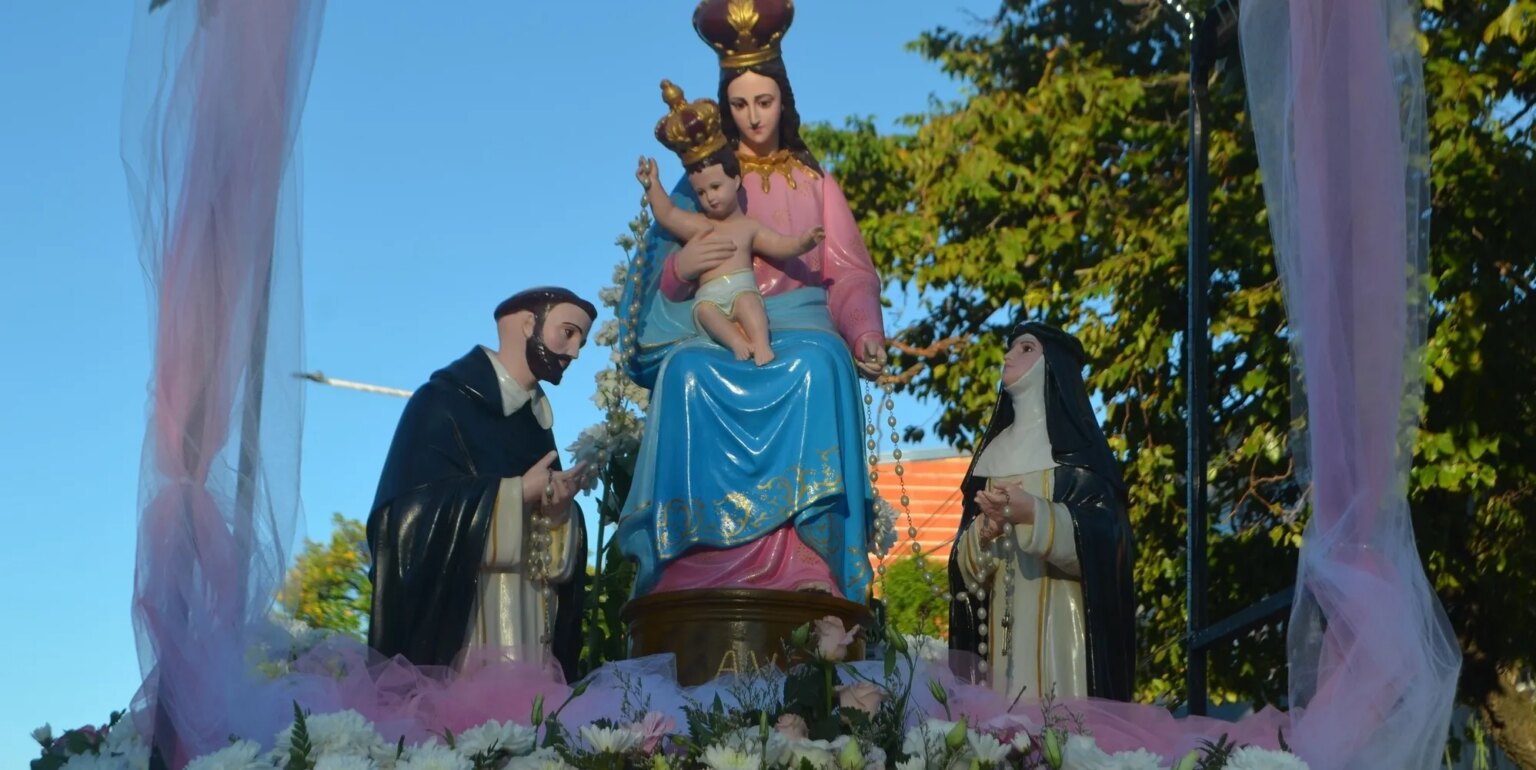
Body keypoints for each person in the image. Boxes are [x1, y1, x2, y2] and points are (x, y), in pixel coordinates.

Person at [616, 0, 886, 601]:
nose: (754, 116)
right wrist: (679, 270)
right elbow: (650, 291)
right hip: (713, 335)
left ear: (783, 100)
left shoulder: (815, 183)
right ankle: (693, 564)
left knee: (817, 367)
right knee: (684, 375)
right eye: (739, 104)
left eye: (764, 102)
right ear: (725, 106)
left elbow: (849, 275)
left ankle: (808, 561)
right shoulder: (701, 185)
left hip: (803, 330)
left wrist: (865, 331)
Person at [367, 287, 595, 681]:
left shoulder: (537, 422)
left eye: (582, 342)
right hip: (468, 636)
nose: (574, 352)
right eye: (568, 333)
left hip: (527, 630)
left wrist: (559, 513)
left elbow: (546, 559)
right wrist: (514, 494)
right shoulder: (441, 403)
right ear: (528, 324)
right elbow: (401, 521)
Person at [947, 322, 1137, 702]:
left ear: (1053, 368)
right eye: (1011, 347)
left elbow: (1109, 545)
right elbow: (962, 573)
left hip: (1063, 645)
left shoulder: (1080, 459)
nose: (1009, 356)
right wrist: (984, 531)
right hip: (997, 650)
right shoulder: (990, 458)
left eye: (1026, 349)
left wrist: (1035, 513)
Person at [637, 80, 824, 366]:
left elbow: (779, 245)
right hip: (709, 295)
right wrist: (653, 186)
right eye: (700, 192)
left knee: (750, 306)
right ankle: (737, 341)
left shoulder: (748, 227)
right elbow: (668, 215)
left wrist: (803, 241)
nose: (709, 197)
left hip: (741, 288)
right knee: (706, 314)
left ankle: (761, 344)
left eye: (715, 186)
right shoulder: (701, 226)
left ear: (735, 180)